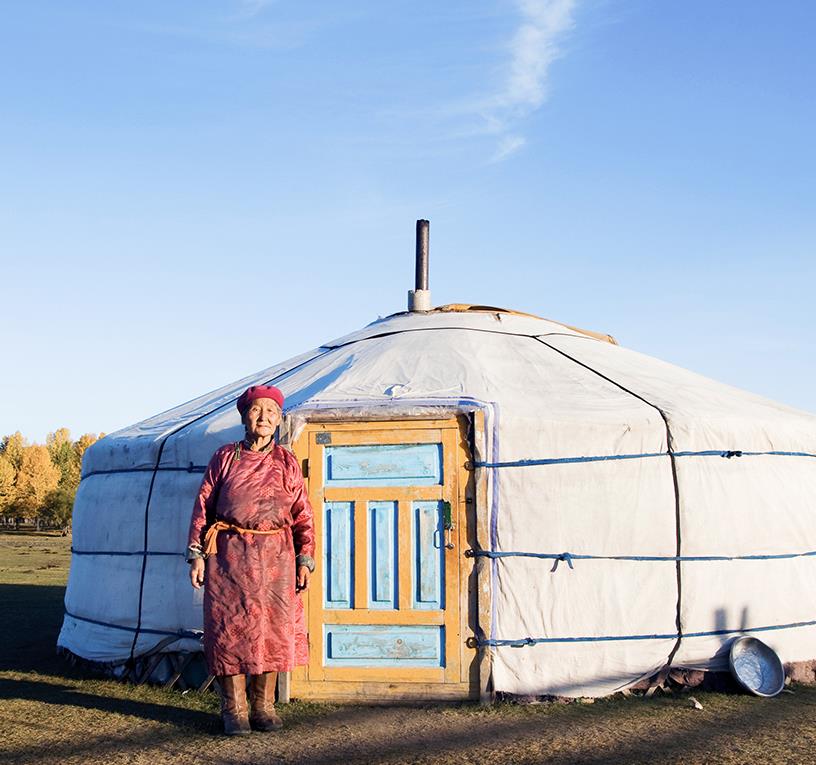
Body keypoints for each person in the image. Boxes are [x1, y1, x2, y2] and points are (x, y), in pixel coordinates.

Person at [187, 384, 315, 736]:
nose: (264, 418)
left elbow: (303, 514)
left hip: (278, 558)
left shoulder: (286, 460)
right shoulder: (225, 457)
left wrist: (305, 559)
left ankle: (263, 706)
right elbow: (203, 507)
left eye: (271, 412)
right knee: (230, 631)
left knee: (273, 632)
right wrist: (196, 555)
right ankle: (234, 710)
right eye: (257, 411)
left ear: (278, 420)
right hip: (229, 557)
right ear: (244, 416)